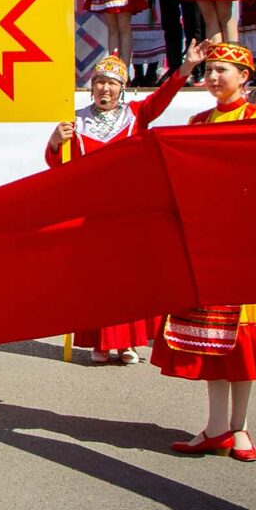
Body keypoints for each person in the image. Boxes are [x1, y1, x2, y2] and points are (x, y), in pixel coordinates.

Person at [153, 41, 256, 461]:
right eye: (208, 70)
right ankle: (214, 427)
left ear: (245, 77)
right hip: (208, 244)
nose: (213, 77)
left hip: (247, 244)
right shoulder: (196, 121)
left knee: (241, 341)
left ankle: (240, 428)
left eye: (222, 69)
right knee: (213, 340)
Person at [45, 45, 200, 363]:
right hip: (94, 213)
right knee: (100, 279)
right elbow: (60, 168)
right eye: (100, 81)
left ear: (122, 88)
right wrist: (55, 142)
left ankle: (128, 342)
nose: (105, 88)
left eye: (112, 83)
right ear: (91, 87)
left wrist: (184, 69)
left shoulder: (136, 115)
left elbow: (162, 97)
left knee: (130, 279)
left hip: (130, 211)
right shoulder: (75, 122)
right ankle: (102, 343)